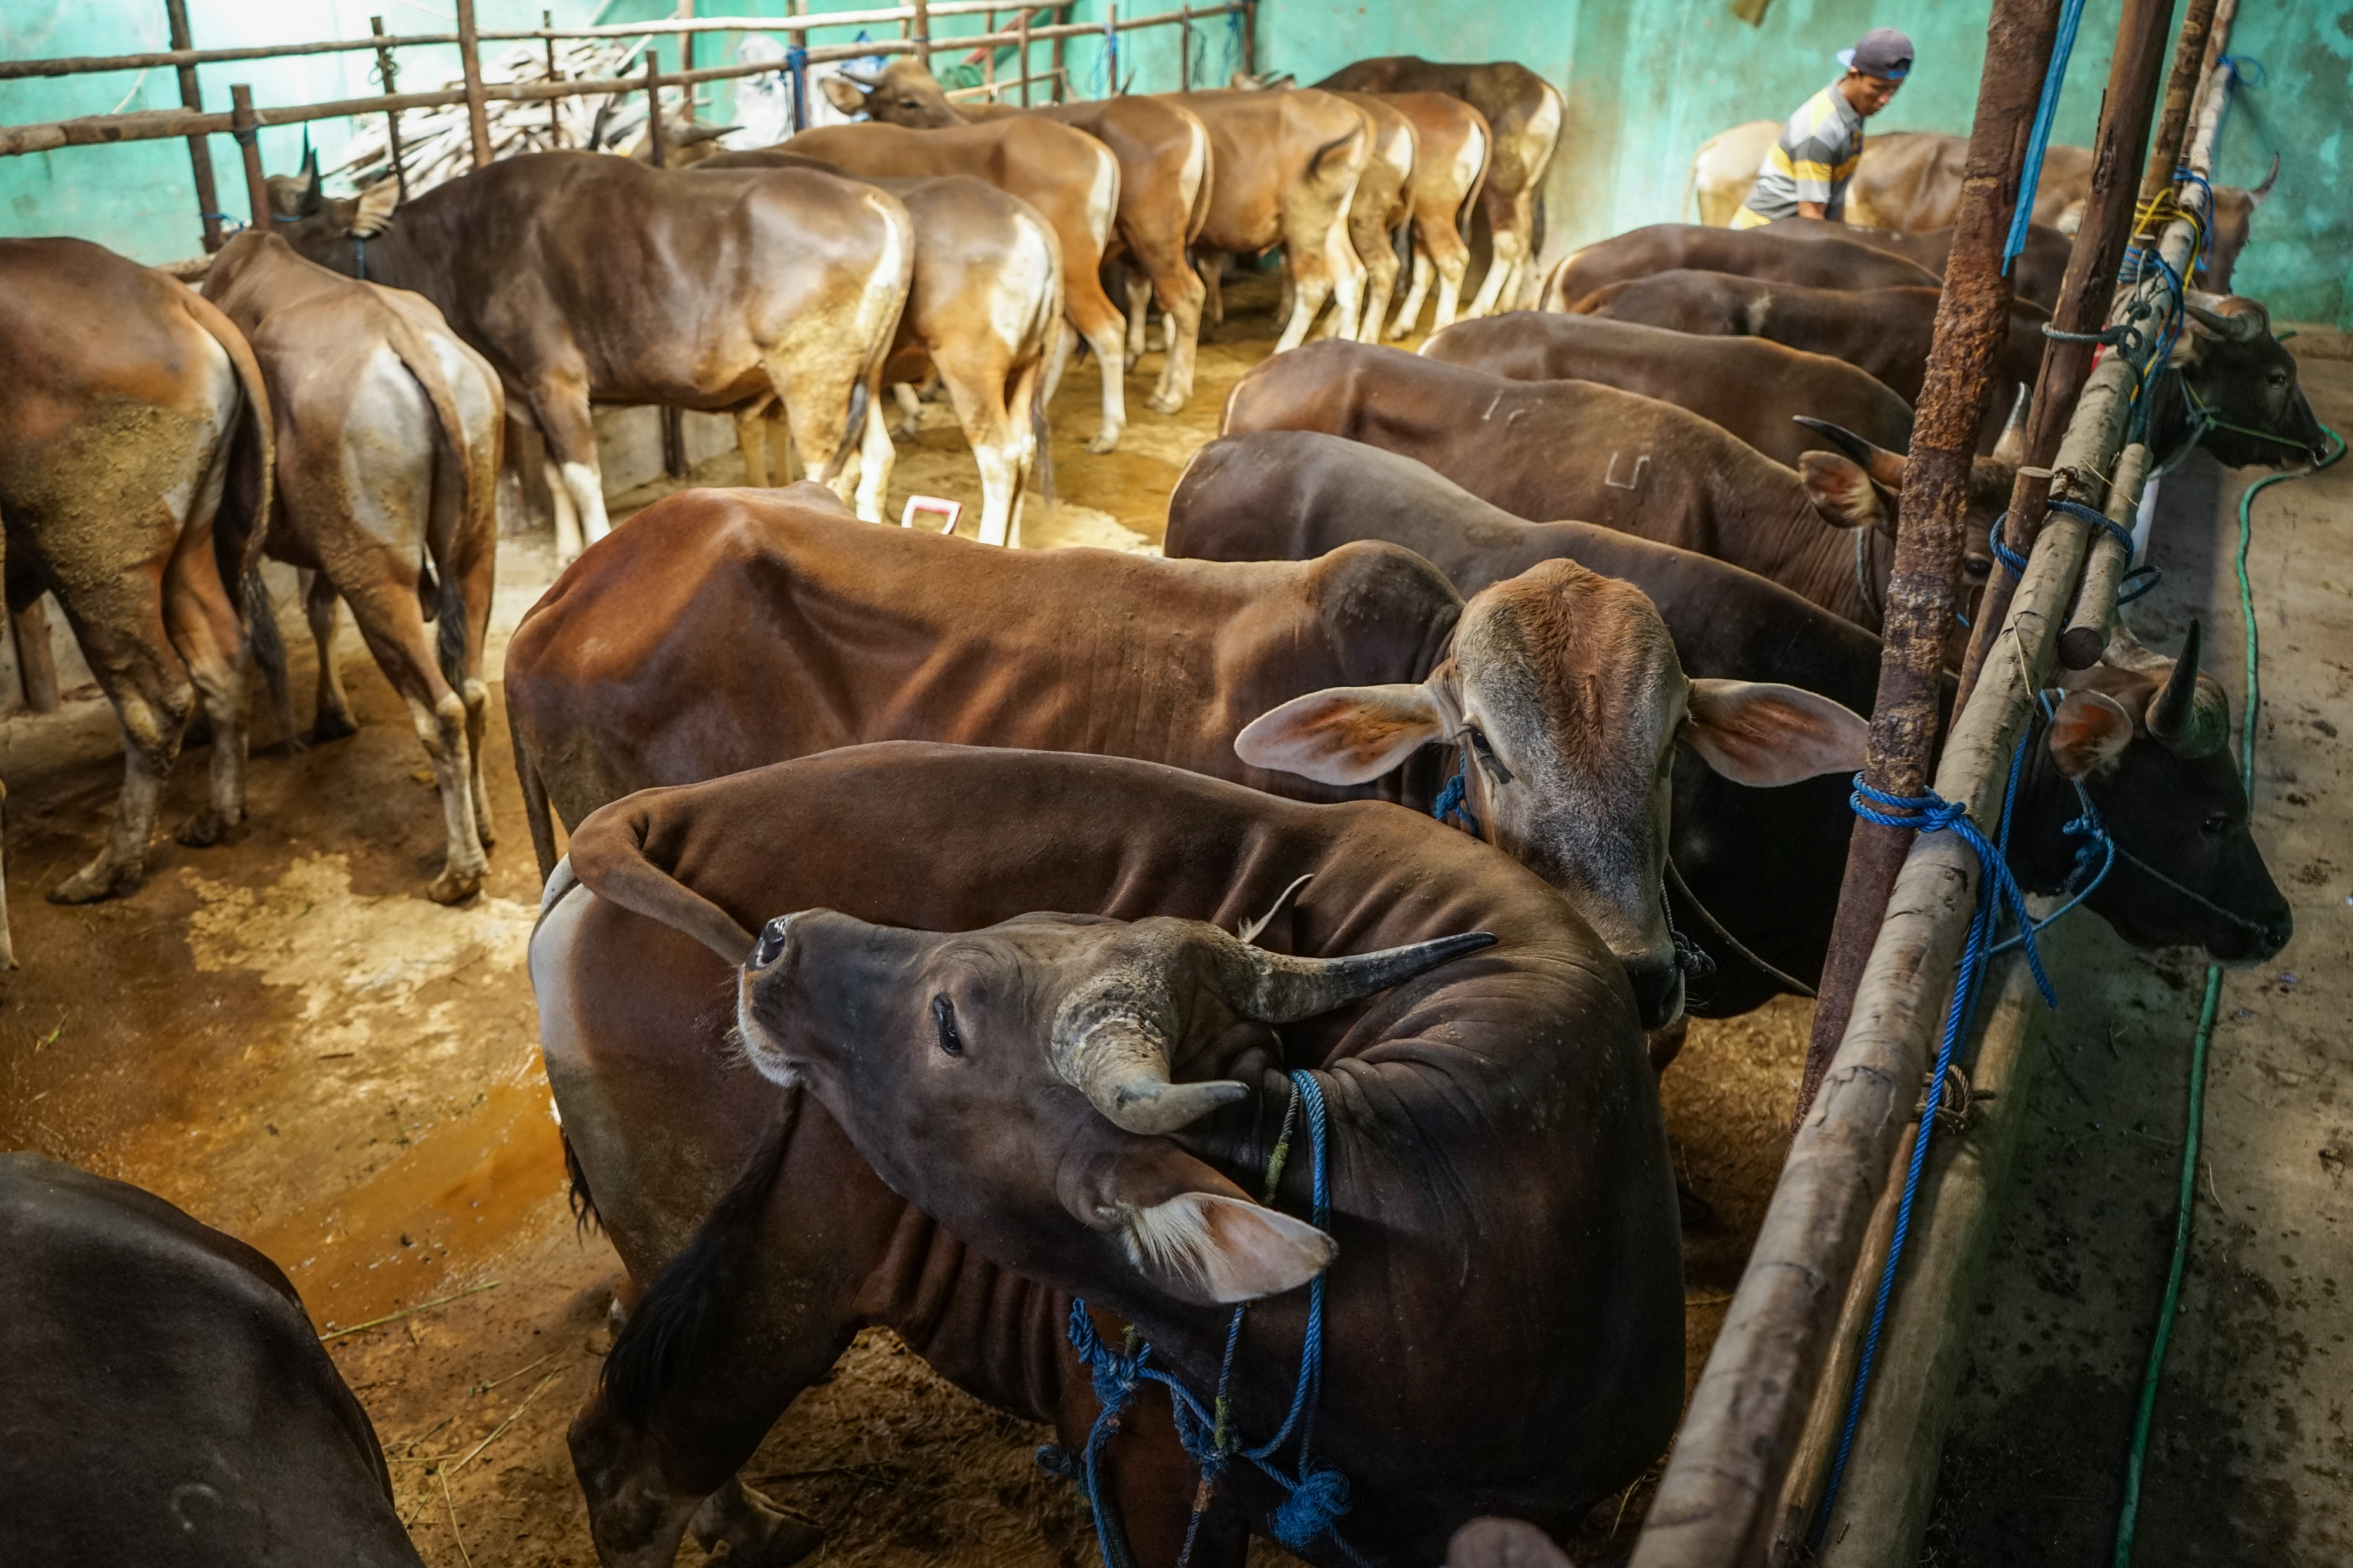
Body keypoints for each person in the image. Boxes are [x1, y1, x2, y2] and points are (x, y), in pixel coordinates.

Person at [1732, 28, 1913, 227]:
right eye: (1878, 88)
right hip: (1763, 239)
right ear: (1854, 75)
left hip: (1795, 233)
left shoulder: (1854, 113)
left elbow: (1833, 204)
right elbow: (1811, 220)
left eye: (1894, 89)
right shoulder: (1820, 131)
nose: (1885, 100)